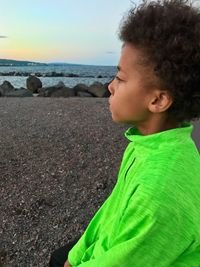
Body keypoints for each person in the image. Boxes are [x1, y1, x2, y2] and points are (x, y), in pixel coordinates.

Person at [49, 0, 200, 266]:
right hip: (119, 242)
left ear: (158, 100)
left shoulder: (159, 194)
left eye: (120, 78)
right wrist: (76, 255)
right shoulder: (146, 143)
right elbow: (113, 208)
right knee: (60, 256)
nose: (109, 86)